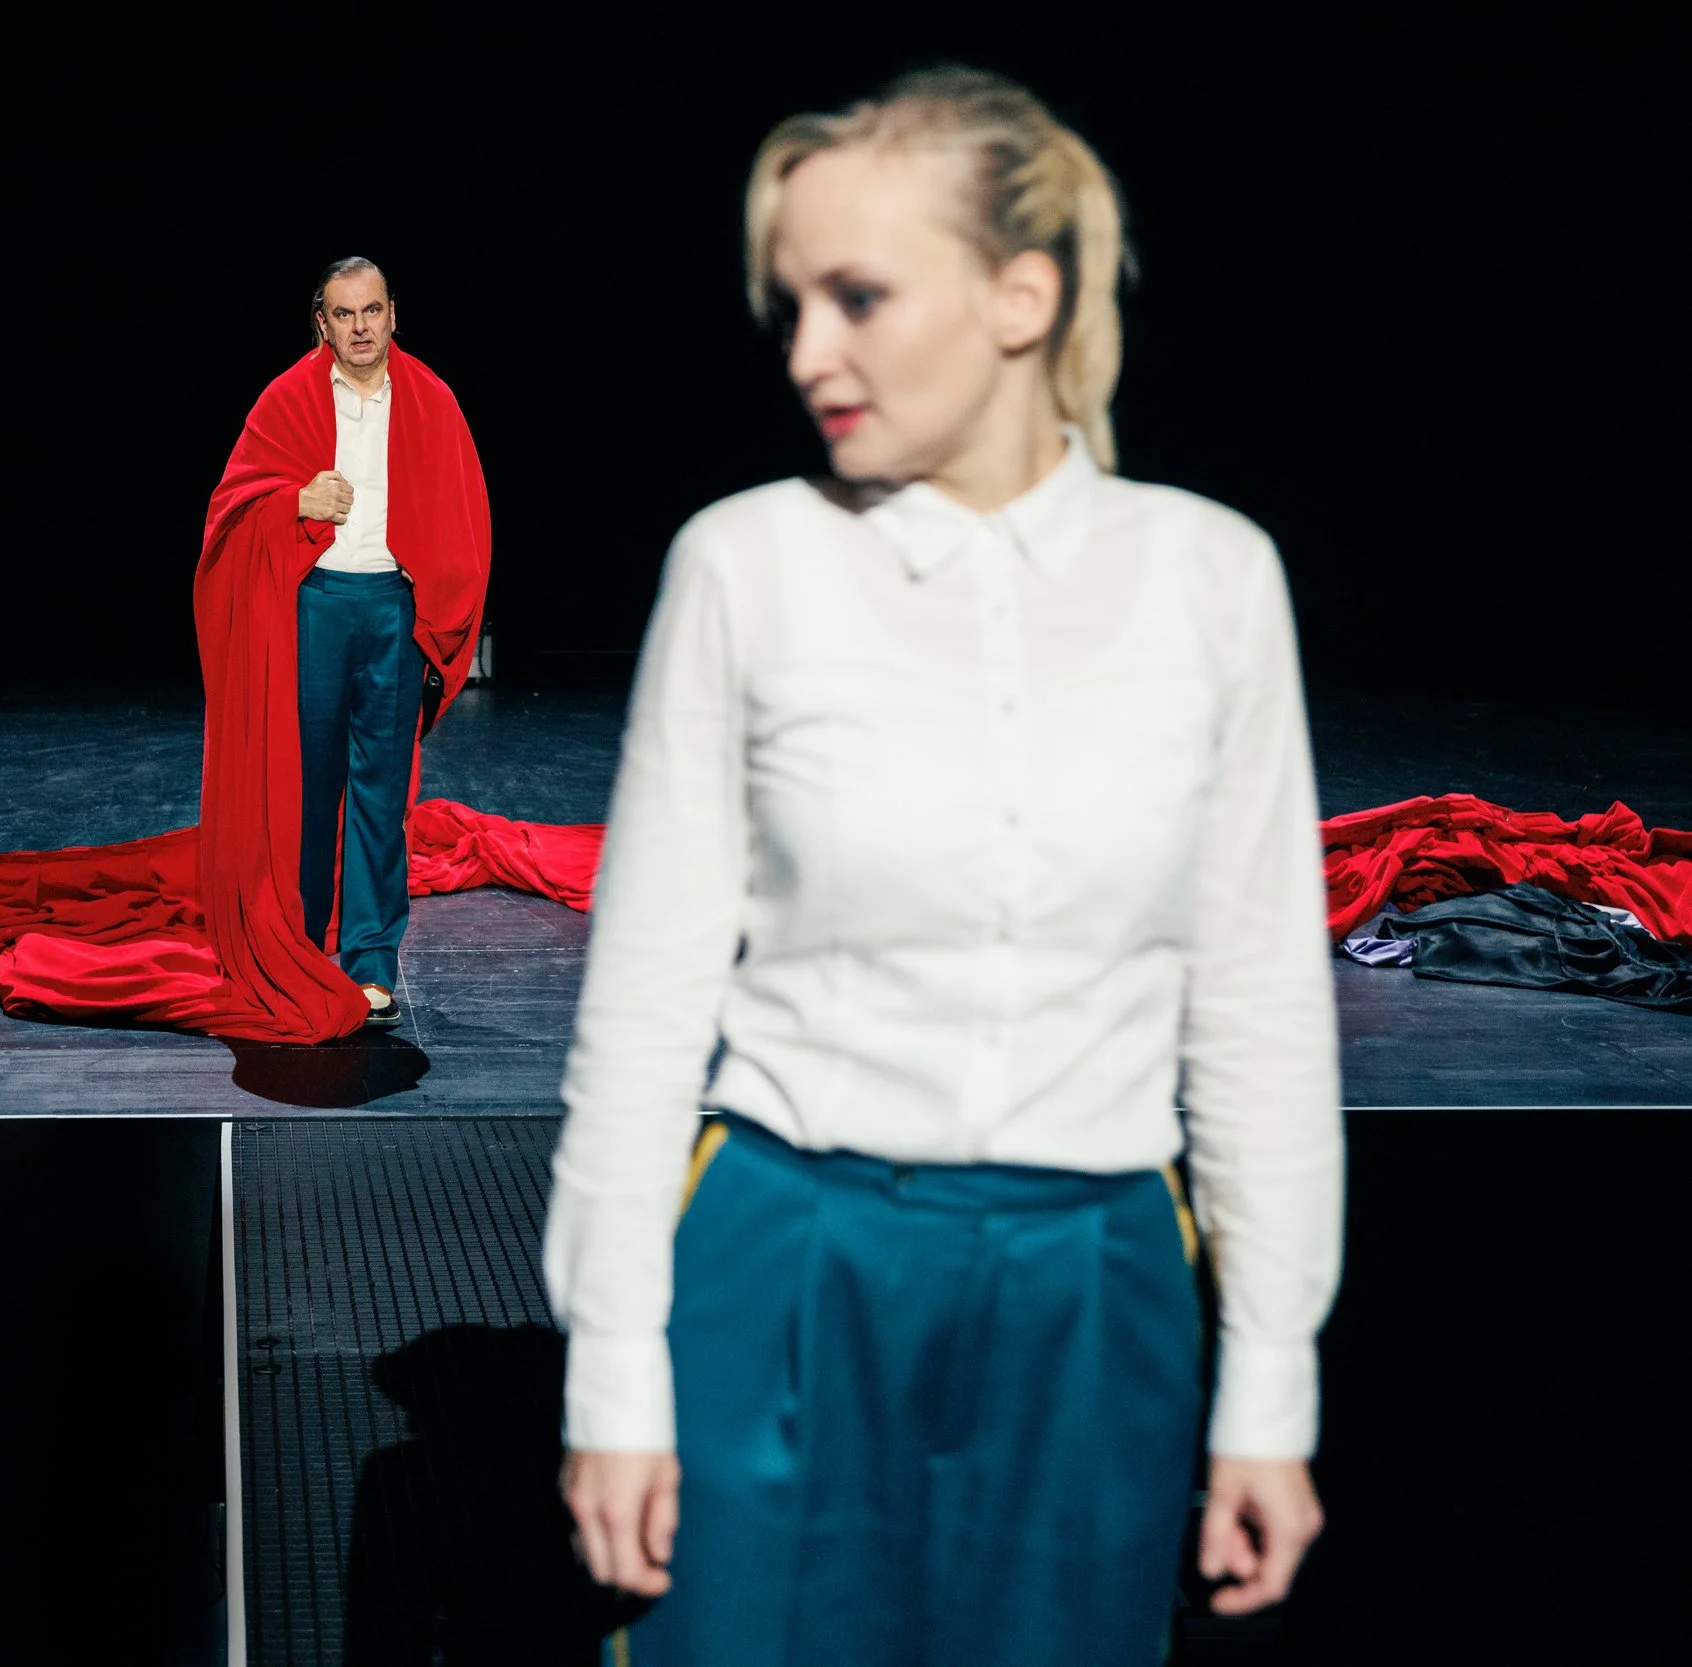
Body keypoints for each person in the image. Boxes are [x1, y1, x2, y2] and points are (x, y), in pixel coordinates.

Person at [546, 67, 1341, 1664]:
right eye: (791, 306)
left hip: (1094, 1286)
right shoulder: (745, 563)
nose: (806, 353)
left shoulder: (1210, 577)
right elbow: (639, 1012)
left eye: (856, 297)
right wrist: (612, 1369)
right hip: (786, 1261)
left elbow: (1258, 1008)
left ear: (1020, 297)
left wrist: (1272, 1383)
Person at [194, 260, 491, 1035]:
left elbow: (466, 513)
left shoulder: (431, 400)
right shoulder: (287, 399)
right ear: (321, 322)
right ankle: (299, 947)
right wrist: (295, 500)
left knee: (382, 794)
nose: (361, 327)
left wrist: (437, 604)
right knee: (307, 785)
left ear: (393, 314)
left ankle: (369, 963)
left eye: (372, 311)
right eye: (344, 314)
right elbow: (231, 507)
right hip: (316, 608)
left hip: (392, 609)